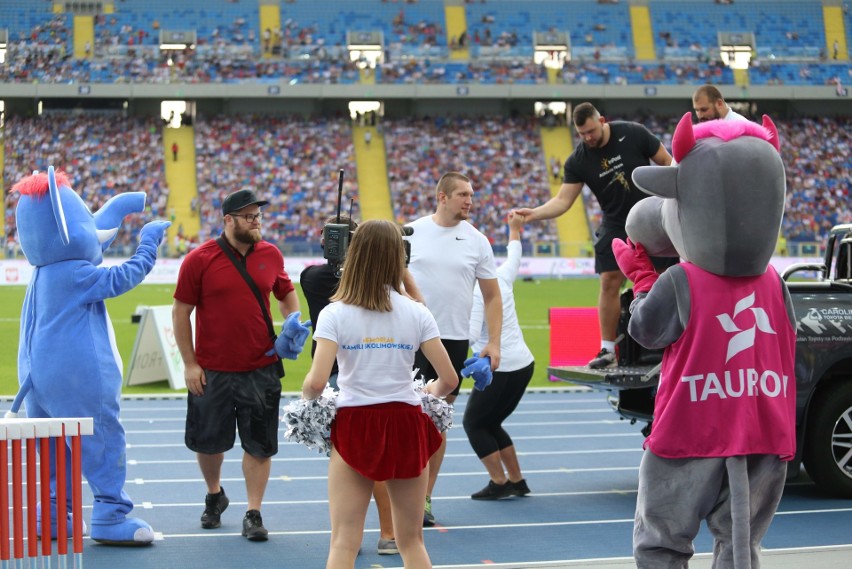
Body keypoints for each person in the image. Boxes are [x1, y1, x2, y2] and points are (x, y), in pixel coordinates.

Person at [302, 219, 459, 569]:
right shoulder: (417, 312)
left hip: (355, 421)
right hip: (406, 422)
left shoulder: (334, 313)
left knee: (344, 541)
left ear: (354, 255)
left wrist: (309, 399)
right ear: (397, 260)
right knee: (412, 541)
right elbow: (448, 379)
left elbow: (315, 383)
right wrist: (426, 391)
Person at [173, 188, 301, 542]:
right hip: (211, 369)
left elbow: (286, 293)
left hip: (261, 366)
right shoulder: (199, 259)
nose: (256, 221)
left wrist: (293, 322)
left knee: (258, 444)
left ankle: (253, 512)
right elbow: (181, 311)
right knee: (208, 443)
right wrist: (189, 363)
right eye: (248, 216)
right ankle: (215, 494)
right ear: (228, 220)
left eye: (258, 215)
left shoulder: (271, 254)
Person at [513, 102, 673, 369]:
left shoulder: (634, 133)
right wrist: (534, 214)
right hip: (615, 224)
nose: (587, 138)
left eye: (590, 131)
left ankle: (673, 341)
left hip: (650, 216)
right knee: (609, 282)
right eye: (581, 134)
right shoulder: (578, 160)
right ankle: (607, 350)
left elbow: (667, 163)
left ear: (602, 120)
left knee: (665, 281)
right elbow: (563, 201)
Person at [405, 171, 503, 526]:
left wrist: (492, 341)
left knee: (436, 424)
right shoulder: (410, 233)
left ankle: (425, 499)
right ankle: (402, 494)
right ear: (442, 196)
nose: (469, 201)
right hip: (410, 339)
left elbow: (492, 297)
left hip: (453, 342)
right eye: (462, 194)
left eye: (471, 195)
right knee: (405, 420)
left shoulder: (477, 241)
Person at [300, 215, 399, 556]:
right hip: (369, 376)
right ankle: (388, 533)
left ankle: (346, 538)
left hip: (336, 376)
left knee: (346, 463)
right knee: (373, 461)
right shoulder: (377, 284)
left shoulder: (313, 277)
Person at [464, 211, 535, 500]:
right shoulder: (500, 277)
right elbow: (514, 256)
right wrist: (514, 230)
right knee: (491, 423)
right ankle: (517, 481)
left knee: (474, 424)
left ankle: (499, 481)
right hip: (524, 364)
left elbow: (468, 336)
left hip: (500, 366)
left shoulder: (477, 293)